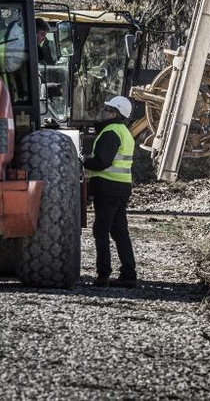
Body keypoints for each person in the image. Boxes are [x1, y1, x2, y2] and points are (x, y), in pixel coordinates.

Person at [83, 95, 137, 288]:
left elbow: (102, 163)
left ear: (115, 113)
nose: (103, 111)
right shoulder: (124, 132)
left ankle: (103, 275)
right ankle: (129, 275)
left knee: (101, 230)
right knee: (120, 232)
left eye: (107, 109)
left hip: (108, 188)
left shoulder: (111, 131)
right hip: (121, 188)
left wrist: (81, 162)